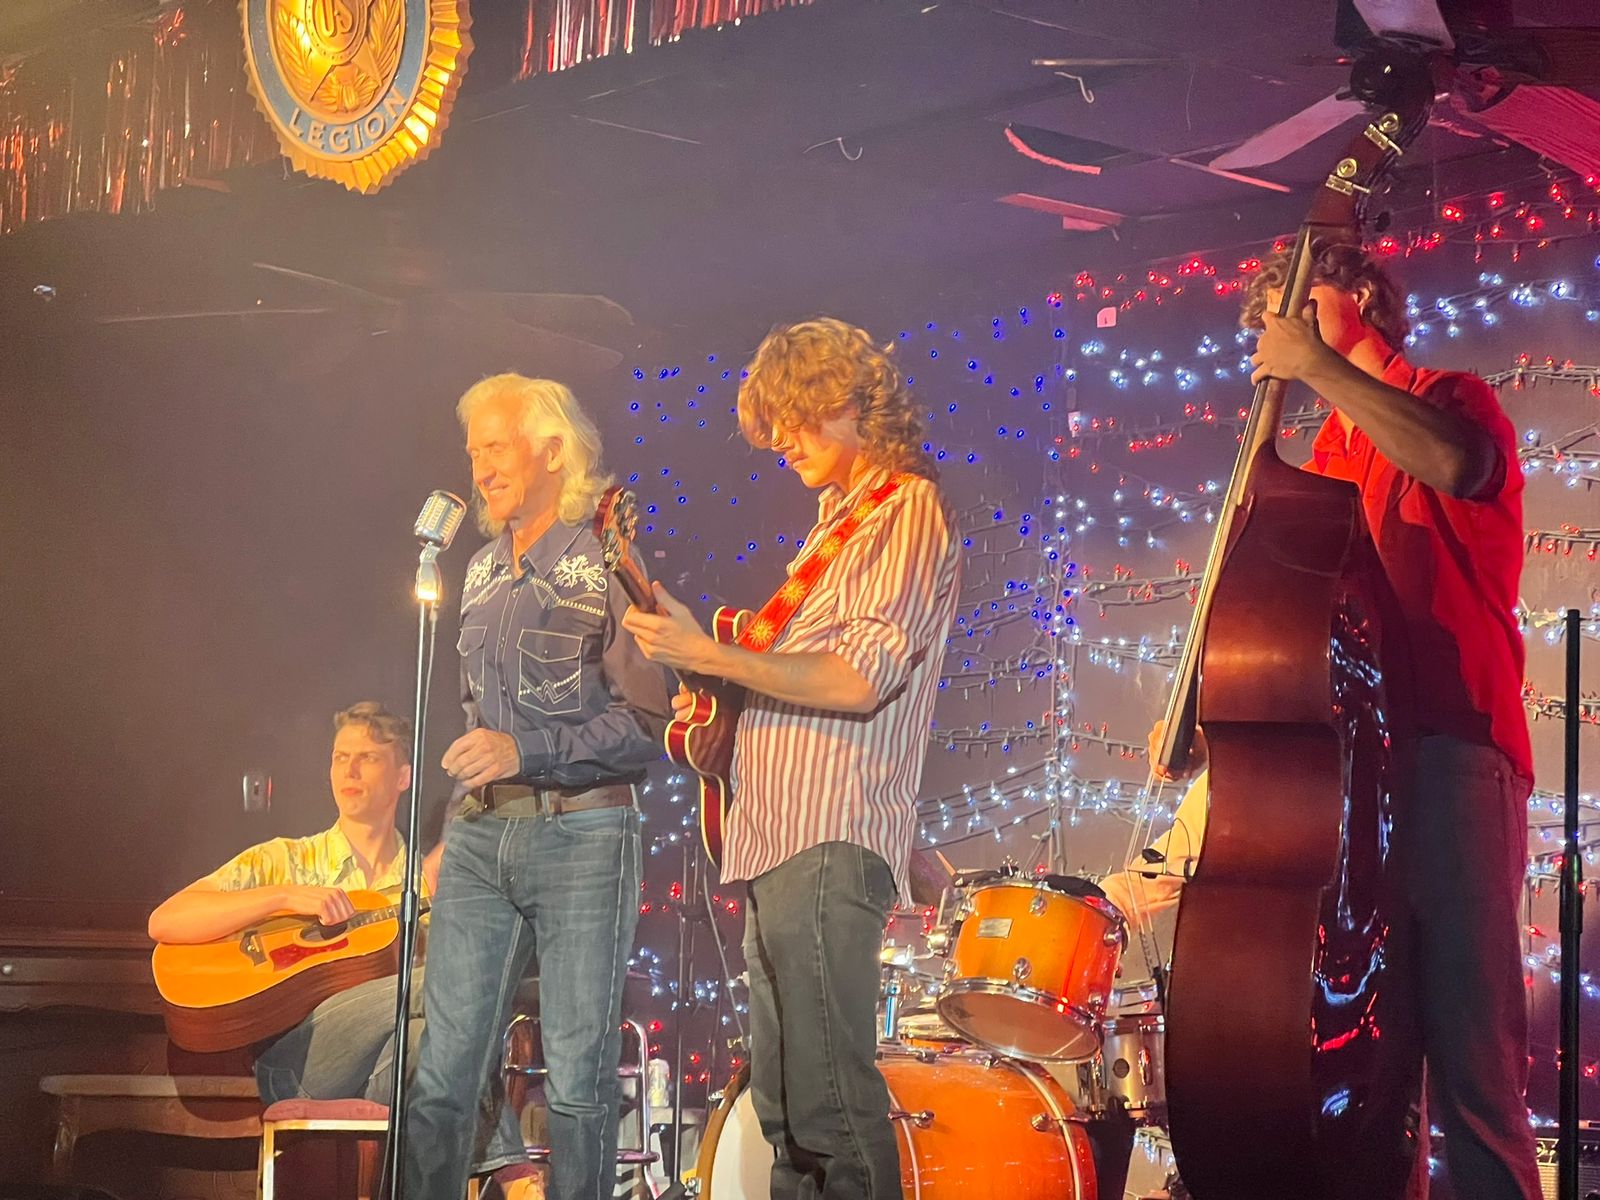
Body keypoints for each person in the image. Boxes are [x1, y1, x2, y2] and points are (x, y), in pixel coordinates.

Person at [1111, 240, 1538, 1200]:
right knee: (1374, 1082)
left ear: (1364, 297)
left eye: (1306, 297)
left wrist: (1318, 366)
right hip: (1358, 785)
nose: (1287, 317)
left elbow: (1456, 464)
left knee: (1473, 1069)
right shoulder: (1326, 466)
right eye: (1277, 309)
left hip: (1454, 753)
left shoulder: (1450, 398)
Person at [623, 318, 963, 1200]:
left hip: (828, 832)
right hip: (773, 840)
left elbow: (858, 678)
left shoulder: (904, 509)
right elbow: (777, 674)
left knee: (830, 1111)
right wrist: (704, 665)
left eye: (794, 417)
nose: (779, 440)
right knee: (785, 1115)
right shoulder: (832, 529)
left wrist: (712, 657)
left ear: (847, 401)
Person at [404, 374, 673, 1200]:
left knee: (579, 1082)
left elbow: (650, 722)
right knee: (442, 1076)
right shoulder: (479, 571)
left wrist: (524, 750)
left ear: (553, 450)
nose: (479, 469)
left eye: (495, 447)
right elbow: (476, 723)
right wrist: (463, 807)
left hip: (583, 836)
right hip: (481, 836)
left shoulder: (609, 561)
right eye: (473, 452)